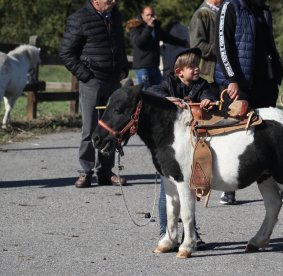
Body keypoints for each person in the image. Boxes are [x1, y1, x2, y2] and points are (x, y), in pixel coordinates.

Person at [147, 48, 219, 249]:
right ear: (179, 72)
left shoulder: (201, 84)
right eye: (192, 67)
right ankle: (166, 233)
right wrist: (168, 99)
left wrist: (208, 100)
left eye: (198, 66)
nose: (197, 69)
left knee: (187, 189)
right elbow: (151, 91)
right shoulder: (169, 83)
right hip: (170, 143)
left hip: (191, 142)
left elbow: (210, 95)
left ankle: (191, 234)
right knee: (167, 192)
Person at [214, 0, 283, 204]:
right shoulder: (230, 6)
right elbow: (222, 45)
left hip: (264, 83)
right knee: (233, 135)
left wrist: (276, 73)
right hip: (238, 84)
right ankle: (229, 187)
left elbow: (269, 43)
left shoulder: (263, 9)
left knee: (267, 135)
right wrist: (231, 79)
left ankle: (275, 184)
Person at [59, 0, 129, 188]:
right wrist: (86, 76)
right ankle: (85, 172)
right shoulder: (79, 18)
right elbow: (66, 52)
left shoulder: (115, 16)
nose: (114, 2)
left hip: (113, 80)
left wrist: (124, 69)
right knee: (89, 128)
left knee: (110, 127)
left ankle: (106, 172)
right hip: (92, 81)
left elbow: (120, 44)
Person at [130, 6, 187, 88]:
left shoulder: (156, 27)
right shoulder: (136, 27)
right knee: (144, 94)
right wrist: (148, 28)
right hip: (142, 68)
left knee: (160, 92)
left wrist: (184, 43)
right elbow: (139, 42)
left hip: (154, 67)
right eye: (148, 15)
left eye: (152, 15)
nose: (150, 17)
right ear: (142, 15)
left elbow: (168, 38)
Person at [189, 0, 223, 95]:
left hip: (223, 75)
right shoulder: (201, 14)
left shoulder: (223, 11)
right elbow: (196, 46)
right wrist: (222, 49)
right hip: (209, 77)